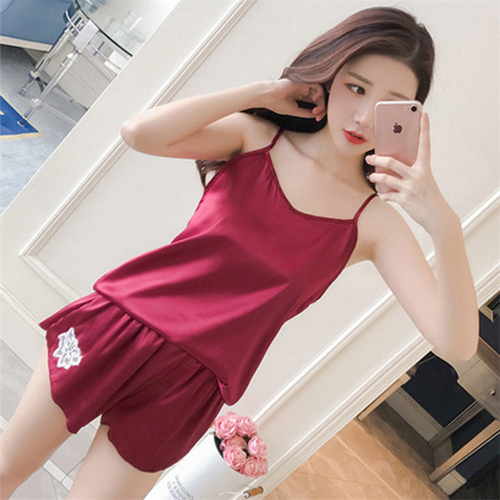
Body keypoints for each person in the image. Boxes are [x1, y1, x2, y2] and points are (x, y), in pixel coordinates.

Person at [0, 6, 478, 499]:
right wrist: (263, 93)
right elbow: (139, 133)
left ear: (408, 120)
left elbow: (456, 345)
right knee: (5, 470)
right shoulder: (257, 138)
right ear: (329, 77)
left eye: (388, 105)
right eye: (356, 88)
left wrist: (444, 224)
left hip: (188, 387)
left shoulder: (374, 224)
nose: (362, 116)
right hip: (119, 326)